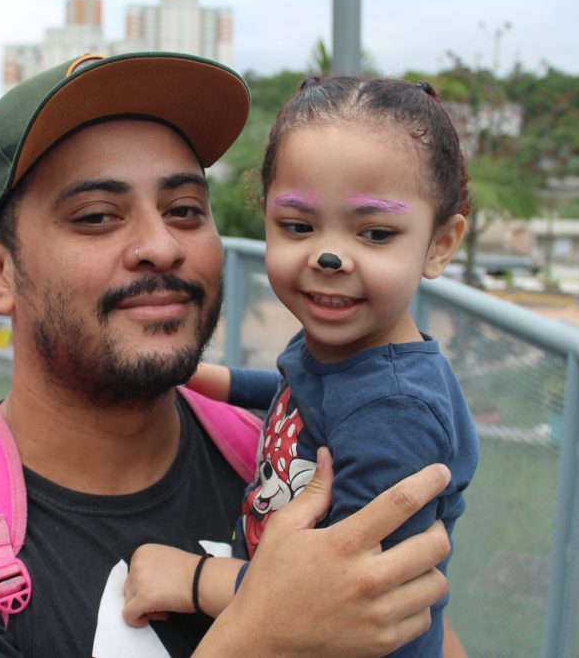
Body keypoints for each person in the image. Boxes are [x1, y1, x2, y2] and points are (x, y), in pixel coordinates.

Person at [0, 53, 455, 657]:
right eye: (97, 216)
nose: (161, 245)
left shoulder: (283, 453)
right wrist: (263, 634)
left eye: (184, 210)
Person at [122, 75, 480, 656]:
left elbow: (342, 592)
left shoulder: (395, 411)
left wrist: (194, 579)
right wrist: (216, 381)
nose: (328, 256)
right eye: (297, 227)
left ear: (440, 244)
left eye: (376, 233)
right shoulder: (343, 347)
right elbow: (304, 390)